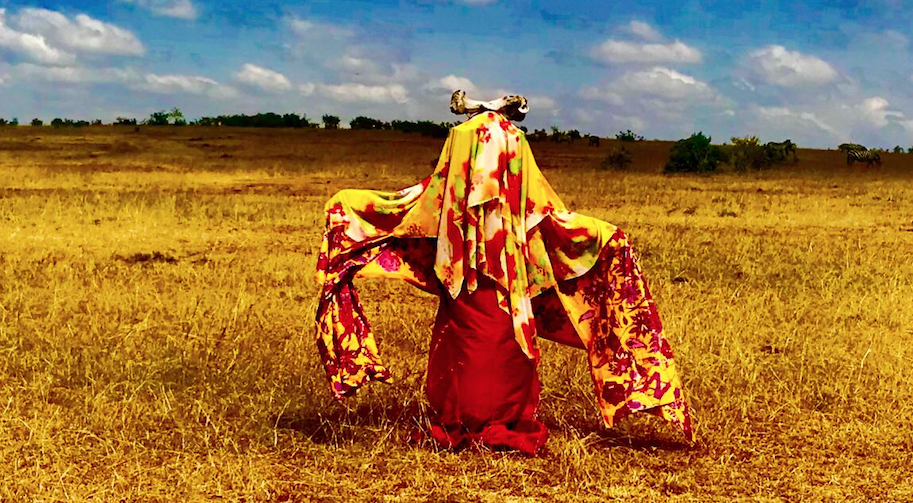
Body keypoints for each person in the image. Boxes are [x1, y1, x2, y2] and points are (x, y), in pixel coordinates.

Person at [315, 91, 693, 455]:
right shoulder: (493, 174)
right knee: (485, 341)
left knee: (485, 341)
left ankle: (474, 418)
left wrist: (607, 239)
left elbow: (413, 205)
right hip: (489, 281)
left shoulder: (456, 177)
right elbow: (549, 217)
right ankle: (480, 417)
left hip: (477, 279)